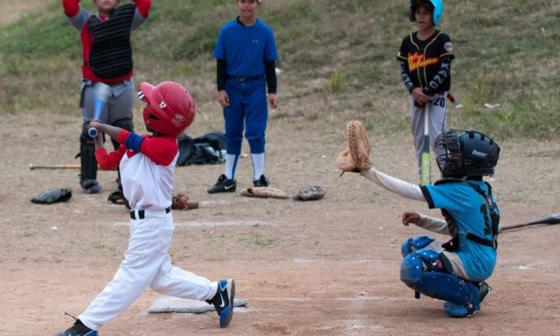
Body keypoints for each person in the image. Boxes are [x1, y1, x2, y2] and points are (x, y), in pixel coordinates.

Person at [55, 81, 236, 336]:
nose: (146, 105)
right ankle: (216, 291)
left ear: (157, 117)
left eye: (151, 104)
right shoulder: (139, 144)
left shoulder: (167, 147)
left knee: (130, 276)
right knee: (160, 278)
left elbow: (132, 139)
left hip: (153, 224)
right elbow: (107, 162)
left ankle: (86, 325)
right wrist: (97, 140)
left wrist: (104, 126)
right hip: (143, 223)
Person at [357, 129, 501, 317]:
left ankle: (469, 296)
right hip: (476, 257)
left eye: (456, 154)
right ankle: (474, 284)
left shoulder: (460, 190)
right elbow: (459, 230)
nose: (449, 158)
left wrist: (368, 171)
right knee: (414, 246)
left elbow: (411, 191)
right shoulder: (480, 188)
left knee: (413, 267)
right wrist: (423, 220)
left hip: (474, 262)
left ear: (470, 163)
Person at [62, 0, 151, 205]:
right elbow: (69, 7)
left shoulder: (126, 18)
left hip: (123, 84)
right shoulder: (86, 20)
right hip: (94, 84)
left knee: (123, 129)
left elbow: (144, 6)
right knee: (91, 130)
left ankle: (125, 176)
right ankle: (88, 178)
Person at [208, 0, 279, 194]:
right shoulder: (227, 31)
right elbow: (221, 62)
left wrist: (272, 90)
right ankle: (229, 178)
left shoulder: (265, 31)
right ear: (237, 4)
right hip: (232, 86)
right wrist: (221, 88)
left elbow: (269, 63)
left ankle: (259, 177)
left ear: (258, 4)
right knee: (232, 131)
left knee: (256, 132)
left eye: (251, 2)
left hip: (256, 85)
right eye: (243, 1)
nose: (246, 6)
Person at [397, 0, 454, 178]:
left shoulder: (442, 40)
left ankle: (448, 178)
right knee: (420, 139)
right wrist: (414, 90)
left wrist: (427, 91)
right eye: (418, 12)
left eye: (426, 12)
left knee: (438, 138)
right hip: (416, 97)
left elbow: (444, 69)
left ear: (434, 15)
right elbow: (404, 70)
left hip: (436, 97)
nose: (421, 16)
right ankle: (424, 179)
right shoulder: (408, 42)